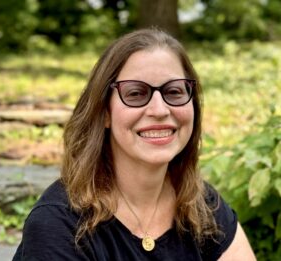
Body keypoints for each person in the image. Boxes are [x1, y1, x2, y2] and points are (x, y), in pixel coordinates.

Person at [13, 28, 256, 261]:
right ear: (104, 112)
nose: (160, 110)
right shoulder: (58, 224)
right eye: (136, 94)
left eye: (174, 91)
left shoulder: (202, 205)